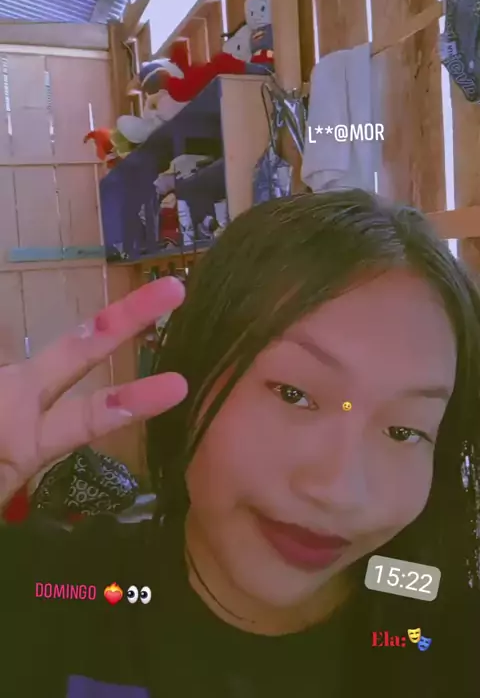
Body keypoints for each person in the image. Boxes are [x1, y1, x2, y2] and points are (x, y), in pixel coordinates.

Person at [1, 189, 479, 698]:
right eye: (294, 394)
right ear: (195, 370)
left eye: (404, 430)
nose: (339, 490)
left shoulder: (446, 636)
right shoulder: (41, 595)